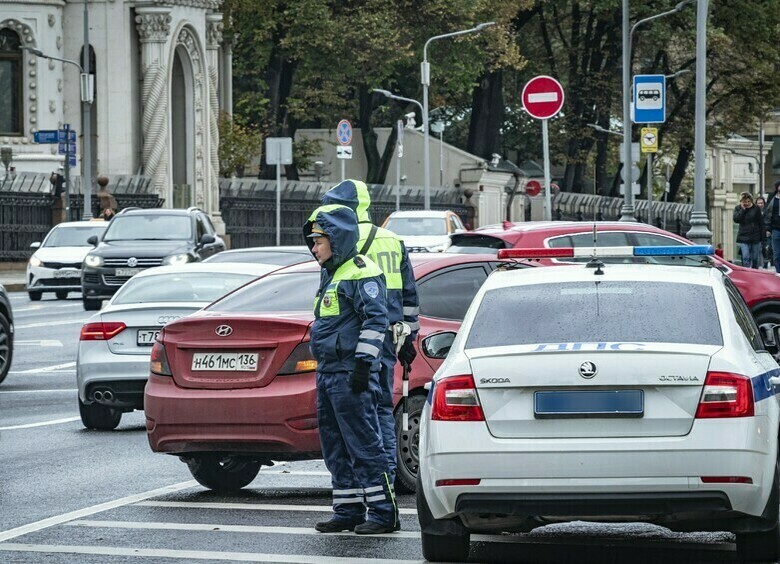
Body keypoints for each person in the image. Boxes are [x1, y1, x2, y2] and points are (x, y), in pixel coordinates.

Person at [303, 203, 398, 535]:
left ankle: (383, 512)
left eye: (318, 241)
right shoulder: (332, 272)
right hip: (329, 373)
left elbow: (376, 321)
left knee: (364, 444)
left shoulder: (361, 270)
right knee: (335, 445)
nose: (313, 248)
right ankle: (347, 510)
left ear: (335, 239)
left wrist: (363, 365)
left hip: (350, 374)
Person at [320, 180, 419, 492]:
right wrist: (410, 340)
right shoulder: (391, 239)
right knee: (381, 412)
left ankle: (370, 490)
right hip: (389, 338)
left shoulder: (338, 239)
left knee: (356, 422)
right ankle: (385, 482)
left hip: (353, 342)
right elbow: (410, 295)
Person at [733, 192, 763, 269]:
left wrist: (763, 237)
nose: (746, 203)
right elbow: (736, 219)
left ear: (751, 201)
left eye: (748, 201)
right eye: (744, 201)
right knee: (745, 257)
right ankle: (747, 273)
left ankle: (755, 272)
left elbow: (761, 222)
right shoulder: (738, 208)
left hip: (755, 236)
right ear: (741, 201)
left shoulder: (756, 208)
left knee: (755, 258)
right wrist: (742, 210)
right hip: (744, 237)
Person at [764, 181, 780, 273]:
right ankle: (779, 273)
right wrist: (768, 228)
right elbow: (767, 214)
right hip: (775, 229)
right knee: (777, 254)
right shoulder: (772, 198)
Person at [757, 196, 771, 268]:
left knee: (766, 248)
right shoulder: (755, 211)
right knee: (759, 249)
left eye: (761, 203)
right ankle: (760, 264)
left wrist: (768, 230)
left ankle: (765, 263)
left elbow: (769, 220)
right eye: (758, 203)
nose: (760, 205)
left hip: (765, 232)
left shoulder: (767, 211)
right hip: (757, 233)